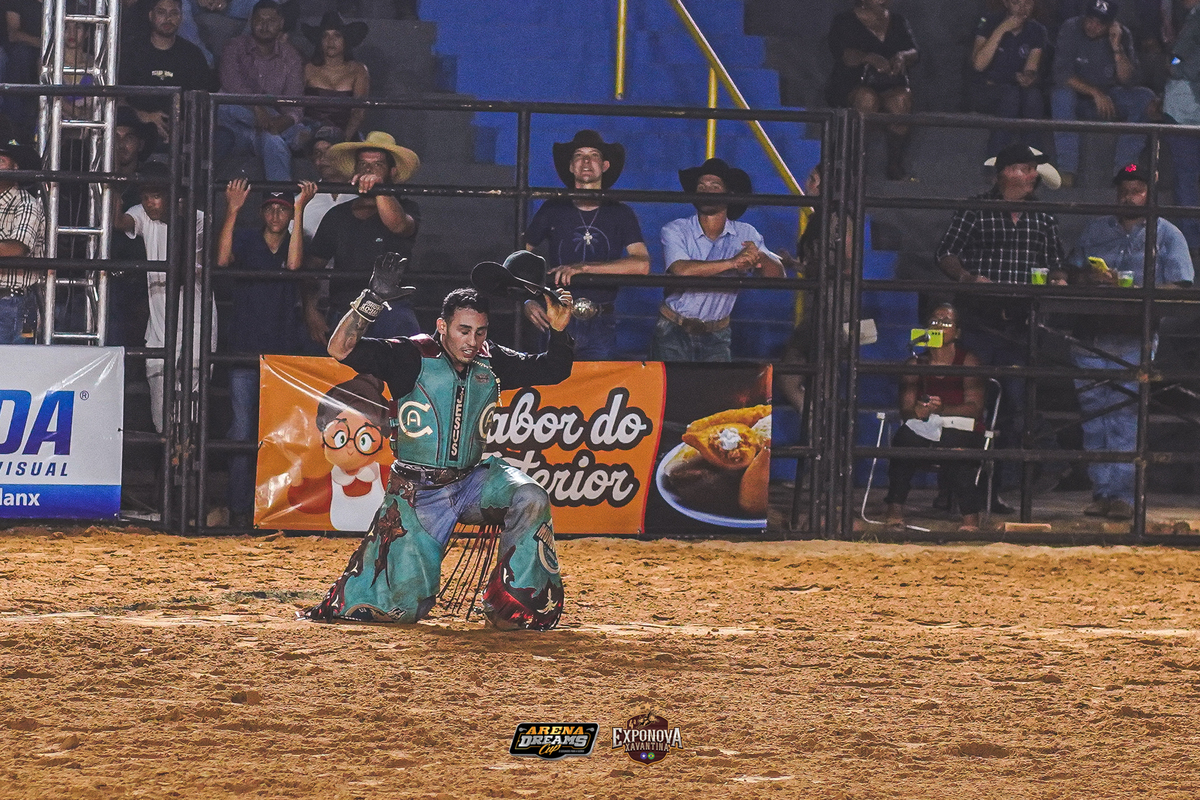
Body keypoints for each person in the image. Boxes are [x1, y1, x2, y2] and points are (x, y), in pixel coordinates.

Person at [302, 257, 575, 630]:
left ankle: (514, 606)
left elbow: (554, 369)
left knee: (531, 496)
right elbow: (340, 349)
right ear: (442, 326)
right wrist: (372, 300)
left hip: (473, 481)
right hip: (419, 492)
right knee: (401, 610)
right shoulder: (408, 356)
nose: (472, 341)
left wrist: (559, 330)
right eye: (464, 331)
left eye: (480, 332)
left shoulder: (492, 360)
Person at [936, 143, 1067, 511]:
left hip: (1020, 323)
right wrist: (967, 277)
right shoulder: (976, 208)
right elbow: (946, 252)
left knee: (1013, 405)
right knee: (974, 402)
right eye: (1025, 169)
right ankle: (957, 488)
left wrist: (1058, 279)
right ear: (1006, 173)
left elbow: (1055, 259)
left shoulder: (1042, 216)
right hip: (980, 319)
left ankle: (994, 487)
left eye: (1032, 170)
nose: (1032, 176)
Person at [1066, 163, 1194, 520]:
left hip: (1133, 335)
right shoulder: (1096, 229)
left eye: (1136, 190)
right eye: (1124, 190)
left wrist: (1136, 289)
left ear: (1149, 194)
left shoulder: (1167, 233)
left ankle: (1121, 494)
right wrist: (1089, 280)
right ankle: (1103, 492)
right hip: (1092, 334)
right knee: (1095, 418)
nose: (1129, 196)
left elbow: (1180, 284)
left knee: (1123, 416)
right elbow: (1073, 271)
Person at [215, 177, 317, 527]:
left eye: (282, 209)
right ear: (262, 212)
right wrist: (232, 210)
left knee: (281, 432)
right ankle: (240, 508)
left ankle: (275, 509)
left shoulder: (296, 239)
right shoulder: (246, 239)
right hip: (245, 348)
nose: (276, 214)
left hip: (282, 352)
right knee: (242, 430)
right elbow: (222, 259)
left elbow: (294, 266)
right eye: (271, 208)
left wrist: (300, 211)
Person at [522, 129, 649, 359]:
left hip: (601, 319)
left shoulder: (620, 213)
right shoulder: (553, 208)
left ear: (605, 165)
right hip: (558, 316)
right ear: (571, 166)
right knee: (552, 380)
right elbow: (517, 257)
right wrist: (527, 299)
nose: (587, 161)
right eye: (579, 155)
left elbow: (641, 264)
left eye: (594, 155)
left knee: (599, 382)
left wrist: (584, 268)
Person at [113, 162, 214, 434]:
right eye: (145, 196)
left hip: (195, 320)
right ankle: (167, 451)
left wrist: (179, 218)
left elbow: (191, 269)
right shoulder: (143, 215)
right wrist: (115, 188)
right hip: (159, 324)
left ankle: (186, 453)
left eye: (156, 196)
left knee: (191, 401)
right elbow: (118, 222)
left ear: (172, 196)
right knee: (160, 403)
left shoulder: (198, 219)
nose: (149, 202)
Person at [652, 157, 784, 362]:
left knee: (713, 384)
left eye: (715, 186)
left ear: (729, 195)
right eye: (701, 186)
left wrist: (759, 257)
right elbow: (681, 270)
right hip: (673, 330)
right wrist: (733, 262)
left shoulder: (746, 233)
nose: (707, 191)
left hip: (716, 335)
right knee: (672, 383)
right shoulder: (675, 229)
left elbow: (777, 275)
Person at [301, 130, 422, 343]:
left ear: (392, 172)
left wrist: (380, 189)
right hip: (346, 309)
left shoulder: (407, 207)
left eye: (378, 165)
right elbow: (312, 267)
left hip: (391, 309)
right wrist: (311, 311)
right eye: (363, 164)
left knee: (403, 350)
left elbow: (398, 225)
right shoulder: (337, 215)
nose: (369, 170)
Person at [884, 303, 988, 533]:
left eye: (946, 322)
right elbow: (906, 410)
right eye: (934, 321)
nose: (939, 326)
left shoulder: (968, 361)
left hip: (960, 425)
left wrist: (943, 409)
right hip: (926, 425)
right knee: (904, 440)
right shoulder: (915, 363)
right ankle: (894, 510)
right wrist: (917, 411)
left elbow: (975, 407)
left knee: (954, 447)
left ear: (957, 333)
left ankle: (970, 518)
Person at [1051, 0, 1156, 187]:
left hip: (1110, 99)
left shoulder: (1122, 35)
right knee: (1061, 95)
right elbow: (1061, 74)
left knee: (1145, 97)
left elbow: (1128, 80)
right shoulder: (1071, 28)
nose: (1092, 26)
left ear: (1110, 24)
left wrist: (1116, 47)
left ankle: (1125, 169)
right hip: (1078, 98)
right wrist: (1095, 93)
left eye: (1100, 23)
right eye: (1090, 19)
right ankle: (1067, 168)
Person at [825, 0, 919, 180]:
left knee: (901, 100)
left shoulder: (898, 21)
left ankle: (894, 163)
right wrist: (868, 57)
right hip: (853, 84)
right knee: (867, 99)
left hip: (889, 84)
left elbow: (914, 52)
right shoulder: (845, 20)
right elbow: (843, 54)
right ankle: (853, 164)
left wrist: (902, 57)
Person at [216, 0, 306, 182]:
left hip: (263, 132)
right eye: (260, 20)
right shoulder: (234, 46)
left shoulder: (291, 57)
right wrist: (257, 107)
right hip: (235, 124)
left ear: (281, 23)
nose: (264, 26)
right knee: (226, 103)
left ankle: (279, 196)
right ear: (251, 21)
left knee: (273, 140)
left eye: (271, 21)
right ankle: (293, 134)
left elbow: (295, 102)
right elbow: (231, 82)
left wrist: (284, 121)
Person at [119, 0, 218, 146]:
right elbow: (117, 98)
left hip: (182, 135)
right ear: (151, 15)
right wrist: (144, 116)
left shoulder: (193, 55)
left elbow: (202, 102)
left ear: (181, 17)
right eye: (161, 12)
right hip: (137, 130)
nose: (167, 18)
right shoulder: (131, 51)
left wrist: (185, 127)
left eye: (174, 13)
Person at [106, 107, 159, 350]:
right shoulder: (92, 181)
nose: (121, 144)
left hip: (140, 283)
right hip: (101, 278)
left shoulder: (151, 183)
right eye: (115, 136)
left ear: (140, 144)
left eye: (128, 137)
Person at [970, 0, 1049, 154]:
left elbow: (1031, 67)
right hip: (988, 88)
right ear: (1006, 3)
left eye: (1027, 3)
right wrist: (1002, 29)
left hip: (1017, 89)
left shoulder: (1037, 30)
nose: (1022, 8)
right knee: (1010, 97)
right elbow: (978, 65)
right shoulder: (989, 21)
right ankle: (995, 160)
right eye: (1016, 2)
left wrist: (1028, 77)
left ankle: (1031, 158)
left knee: (1033, 98)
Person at [0, 119, 44, 344]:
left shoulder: (26, 203)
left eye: (1, 160)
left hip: (12, 302)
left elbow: (17, 248)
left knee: (11, 361)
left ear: (16, 167)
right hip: (9, 302)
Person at [1163, 0, 1200, 251]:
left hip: (1186, 106)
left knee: (1186, 177)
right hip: (1185, 107)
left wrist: (1174, 65)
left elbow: (1178, 58)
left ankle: (1191, 242)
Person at [301, 12, 369, 142]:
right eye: (325, 36)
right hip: (312, 135)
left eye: (337, 35)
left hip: (347, 135)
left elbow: (359, 112)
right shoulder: (308, 69)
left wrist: (343, 141)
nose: (330, 41)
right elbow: (296, 108)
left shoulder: (358, 70)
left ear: (345, 40)